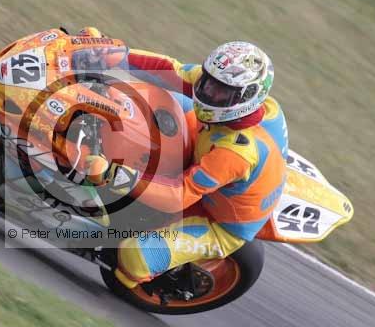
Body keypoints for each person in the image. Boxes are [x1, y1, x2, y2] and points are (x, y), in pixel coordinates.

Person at [79, 27, 289, 289]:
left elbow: (179, 194)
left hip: (218, 219)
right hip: (208, 146)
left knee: (133, 259)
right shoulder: (244, 100)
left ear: (245, 98)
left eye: (220, 91)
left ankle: (148, 279)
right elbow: (170, 70)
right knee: (149, 96)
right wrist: (114, 56)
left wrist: (114, 175)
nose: (208, 92)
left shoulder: (237, 153)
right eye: (208, 82)